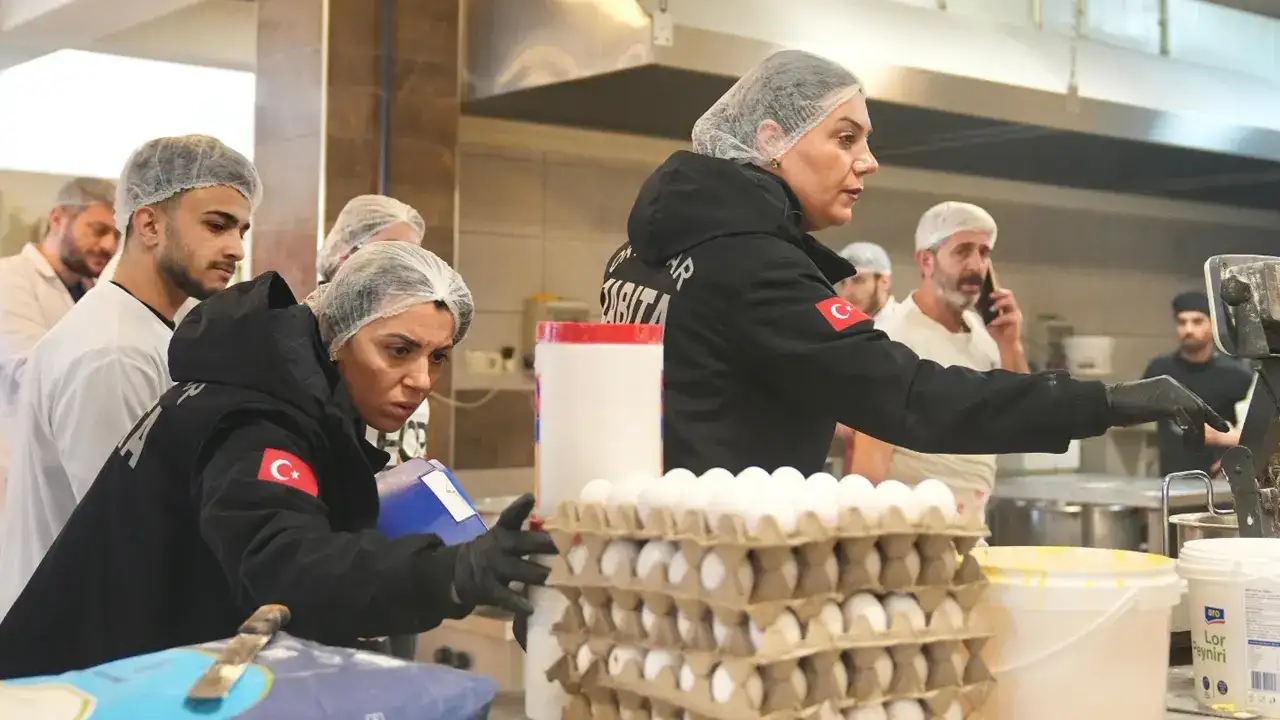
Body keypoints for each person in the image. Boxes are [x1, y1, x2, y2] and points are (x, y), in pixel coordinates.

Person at [599, 48, 1227, 478]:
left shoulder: (639, 252)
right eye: (846, 138)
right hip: (720, 573)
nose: (868, 161)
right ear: (771, 140)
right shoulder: (753, 266)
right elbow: (912, 398)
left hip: (648, 559)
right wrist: (1108, 401)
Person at [0, 242, 554, 677]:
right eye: (398, 350)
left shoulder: (273, 391)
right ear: (339, 334)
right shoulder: (256, 420)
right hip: (74, 691)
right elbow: (285, 563)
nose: (421, 380)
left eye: (438, 358)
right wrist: (452, 575)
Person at [0, 135, 261, 618]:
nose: (235, 249)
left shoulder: (147, 329)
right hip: (70, 644)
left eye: (241, 230)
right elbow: (127, 530)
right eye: (216, 225)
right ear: (148, 224)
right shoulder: (112, 352)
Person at [847, 202, 1023, 523]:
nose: (976, 265)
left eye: (984, 252)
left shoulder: (982, 334)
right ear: (926, 261)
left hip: (971, 532)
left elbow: (1019, 420)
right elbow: (867, 476)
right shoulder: (893, 342)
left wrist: (1010, 344)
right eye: (962, 252)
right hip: (911, 543)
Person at [0, 178, 118, 513]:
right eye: (97, 230)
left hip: (69, 475)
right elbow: (30, 369)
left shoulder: (96, 291)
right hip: (17, 475)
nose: (108, 245)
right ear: (57, 219)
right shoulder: (10, 278)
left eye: (116, 235)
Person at [1143, 290, 1253, 477]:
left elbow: (1258, 433)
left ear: (1213, 325)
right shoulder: (1159, 370)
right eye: (1182, 322)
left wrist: (1227, 440)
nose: (1188, 330)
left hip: (1220, 482)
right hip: (1171, 479)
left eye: (1197, 321)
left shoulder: (1236, 375)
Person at [317, 194, 426, 285]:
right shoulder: (311, 310)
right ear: (346, 253)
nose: (401, 264)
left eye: (412, 254)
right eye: (389, 250)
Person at [836, 241, 896, 320]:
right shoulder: (842, 327)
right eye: (843, 283)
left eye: (858, 280)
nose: (847, 292)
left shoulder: (908, 325)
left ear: (885, 281)